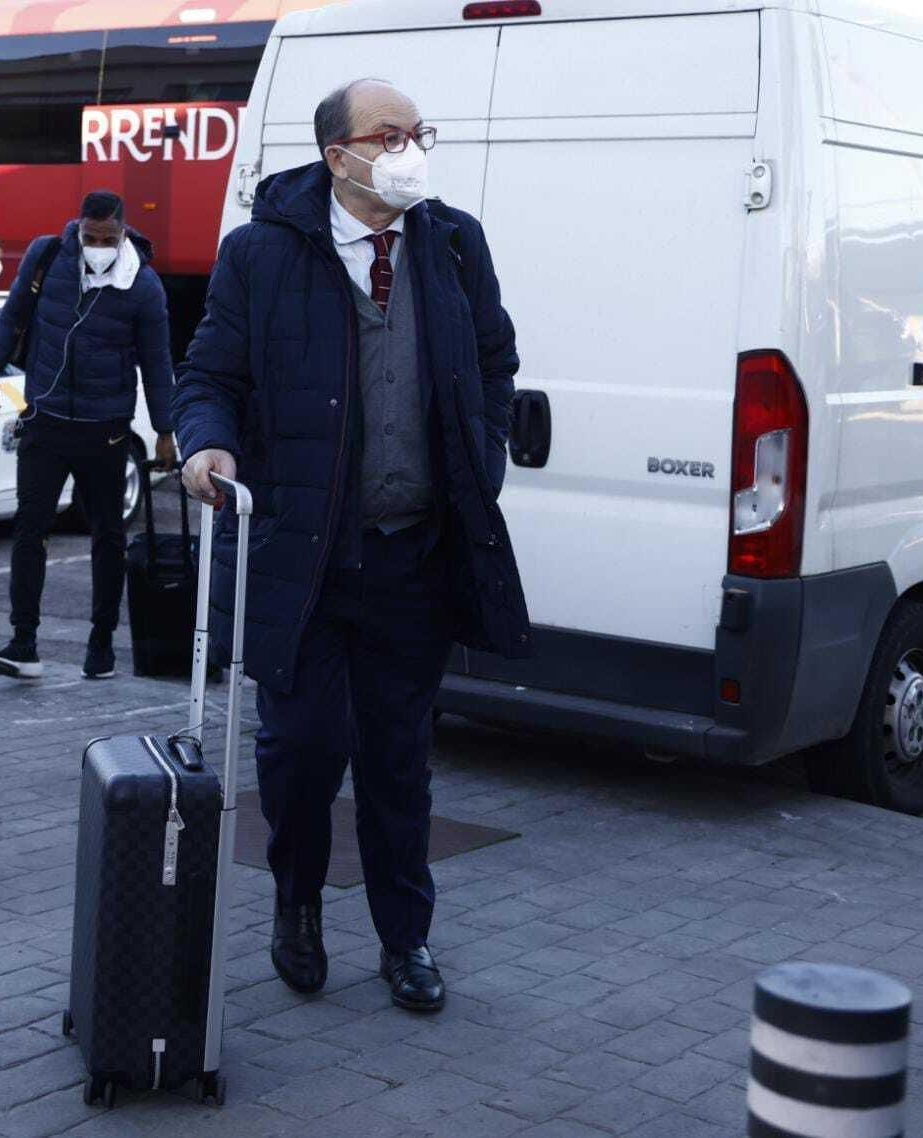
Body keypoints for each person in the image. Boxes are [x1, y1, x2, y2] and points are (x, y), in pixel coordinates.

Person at [172, 79, 530, 1013]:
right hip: (305, 557)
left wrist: (481, 453)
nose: (414, 148)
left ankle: (405, 938)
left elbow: (495, 355)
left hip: (413, 553)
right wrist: (206, 440)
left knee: (398, 757)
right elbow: (209, 371)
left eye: (422, 131)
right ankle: (297, 902)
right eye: (393, 134)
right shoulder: (259, 255)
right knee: (301, 749)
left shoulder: (453, 242)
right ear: (341, 157)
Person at [0, 191, 177, 681]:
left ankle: (101, 643)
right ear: (79, 228)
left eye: (108, 239)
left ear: (123, 233)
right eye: (91, 237)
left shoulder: (144, 287)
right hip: (44, 418)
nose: (98, 246)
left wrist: (166, 431)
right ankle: (23, 643)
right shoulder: (48, 256)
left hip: (105, 429)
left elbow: (157, 363)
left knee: (107, 536)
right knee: (30, 529)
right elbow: (14, 315)